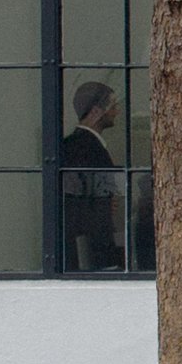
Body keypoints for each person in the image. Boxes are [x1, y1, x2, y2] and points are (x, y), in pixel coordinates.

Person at [62, 81, 126, 273]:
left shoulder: (73, 146)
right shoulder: (89, 150)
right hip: (94, 250)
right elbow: (98, 209)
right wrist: (106, 258)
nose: (117, 111)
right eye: (113, 105)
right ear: (97, 111)